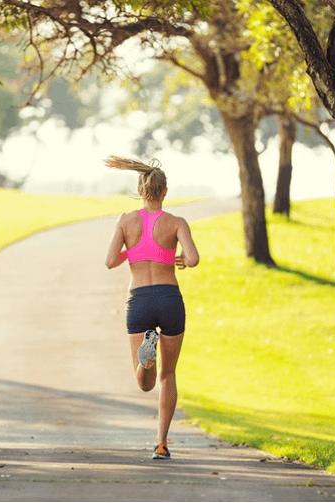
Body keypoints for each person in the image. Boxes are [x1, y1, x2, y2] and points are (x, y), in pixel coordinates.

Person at [104, 155, 199, 460]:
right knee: (168, 375)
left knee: (145, 383)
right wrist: (180, 257)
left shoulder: (126, 220)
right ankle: (161, 443)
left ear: (141, 190)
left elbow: (109, 261)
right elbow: (193, 258)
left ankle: (146, 360)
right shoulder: (176, 222)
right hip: (170, 299)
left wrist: (132, 252)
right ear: (165, 191)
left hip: (140, 300)